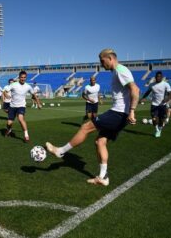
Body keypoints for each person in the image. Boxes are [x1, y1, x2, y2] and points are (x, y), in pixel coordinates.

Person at [46, 49, 139, 186]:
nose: (101, 64)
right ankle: (103, 177)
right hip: (120, 114)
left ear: (110, 58)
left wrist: (132, 111)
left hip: (119, 113)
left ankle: (60, 151)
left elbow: (135, 89)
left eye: (102, 61)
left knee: (85, 127)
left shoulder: (120, 70)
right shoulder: (116, 71)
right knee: (100, 142)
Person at [5, 71, 42, 142]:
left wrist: (38, 104)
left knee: (20, 119)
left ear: (26, 78)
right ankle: (9, 130)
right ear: (19, 77)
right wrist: (6, 95)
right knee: (9, 123)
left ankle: (26, 136)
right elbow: (5, 91)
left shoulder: (28, 86)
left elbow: (34, 95)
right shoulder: (13, 84)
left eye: (24, 77)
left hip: (21, 106)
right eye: (21, 77)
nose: (23, 79)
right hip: (12, 106)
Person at [140, 71, 171, 137]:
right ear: (155, 77)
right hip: (154, 104)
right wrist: (142, 98)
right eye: (157, 76)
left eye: (160, 76)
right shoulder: (152, 85)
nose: (158, 78)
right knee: (154, 119)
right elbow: (147, 92)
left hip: (162, 105)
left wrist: (166, 99)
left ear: (162, 77)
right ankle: (157, 130)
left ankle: (160, 129)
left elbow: (170, 94)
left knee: (161, 120)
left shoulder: (166, 84)